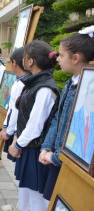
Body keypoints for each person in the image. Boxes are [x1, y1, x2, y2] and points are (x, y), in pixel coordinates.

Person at [39, 32, 94, 202]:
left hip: (71, 162)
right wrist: (47, 147)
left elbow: (83, 133)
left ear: (75, 58)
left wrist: (55, 157)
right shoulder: (72, 82)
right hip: (58, 157)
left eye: (61, 55)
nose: (57, 59)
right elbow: (58, 117)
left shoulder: (88, 87)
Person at [8, 40, 60, 211]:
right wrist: (17, 135)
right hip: (29, 145)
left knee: (37, 197)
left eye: (24, 57)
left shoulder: (44, 88)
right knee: (28, 189)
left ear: (30, 61)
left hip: (36, 149)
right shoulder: (35, 82)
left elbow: (35, 126)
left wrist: (17, 144)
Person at [0, 48, 28, 211]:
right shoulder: (21, 81)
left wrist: (9, 132)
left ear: (15, 63)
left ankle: (24, 205)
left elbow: (16, 111)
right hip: (17, 131)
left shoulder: (21, 84)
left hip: (20, 134)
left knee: (22, 173)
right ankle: (23, 203)